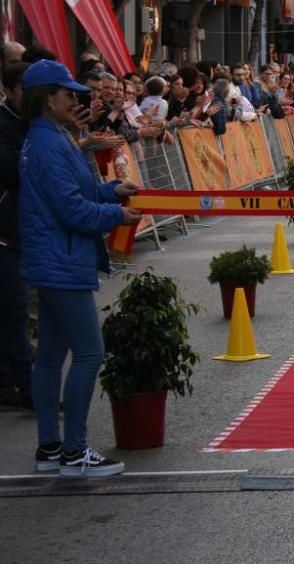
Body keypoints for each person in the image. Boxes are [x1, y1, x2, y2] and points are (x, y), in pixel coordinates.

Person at [19, 60, 142, 477]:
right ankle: (73, 450)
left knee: (51, 358)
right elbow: (71, 208)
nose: (78, 100)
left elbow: (78, 193)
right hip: (61, 259)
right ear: (47, 97)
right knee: (89, 354)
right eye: (69, 93)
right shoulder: (50, 142)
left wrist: (110, 192)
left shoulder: (55, 137)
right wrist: (115, 215)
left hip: (55, 258)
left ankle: (51, 448)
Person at [0, 62, 31, 408]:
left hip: (26, 230)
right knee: (15, 310)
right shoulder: (7, 124)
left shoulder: (35, 125)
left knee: (16, 311)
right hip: (6, 231)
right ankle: (25, 386)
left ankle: (13, 380)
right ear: (9, 90)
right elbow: (12, 170)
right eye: (25, 88)